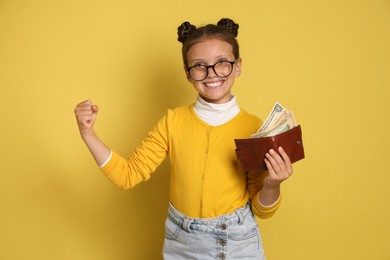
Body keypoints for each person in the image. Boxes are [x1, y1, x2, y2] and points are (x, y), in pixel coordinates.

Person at [74, 18, 293, 260]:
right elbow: (127, 175)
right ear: (188, 74)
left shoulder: (253, 127)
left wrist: (273, 184)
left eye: (222, 63)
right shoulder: (172, 122)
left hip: (237, 242)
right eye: (199, 66)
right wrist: (89, 134)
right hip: (181, 242)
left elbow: (262, 210)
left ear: (238, 66)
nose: (211, 74)